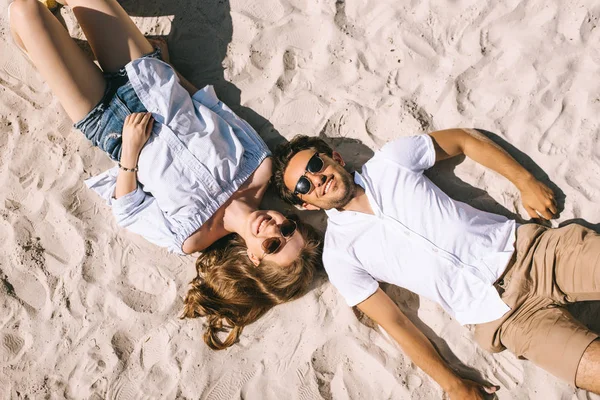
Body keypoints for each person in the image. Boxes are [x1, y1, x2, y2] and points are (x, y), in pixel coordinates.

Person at [8, 0, 322, 349]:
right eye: (288, 227)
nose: (274, 228)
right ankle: (47, 41)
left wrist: (129, 152)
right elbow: (207, 103)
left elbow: (129, 208)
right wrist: (168, 69)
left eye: (273, 245)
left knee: (25, 10)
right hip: (148, 78)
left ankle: (39, 39)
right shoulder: (259, 164)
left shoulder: (190, 237)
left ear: (254, 258)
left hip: (105, 120)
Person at [272, 129, 600, 398]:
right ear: (306, 203)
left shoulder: (391, 162)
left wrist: (524, 181)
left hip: (534, 253)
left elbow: (463, 140)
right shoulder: (340, 256)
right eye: (304, 184)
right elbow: (395, 324)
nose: (316, 179)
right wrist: (451, 383)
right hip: (501, 317)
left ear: (335, 158)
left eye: (315, 165)